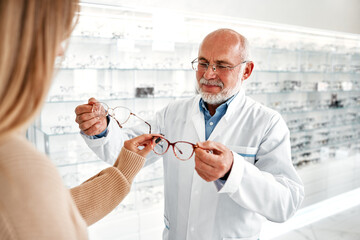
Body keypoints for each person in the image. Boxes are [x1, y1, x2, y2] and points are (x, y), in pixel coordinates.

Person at [75, 28, 305, 240]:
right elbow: (127, 151)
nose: (209, 74)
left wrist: (234, 171)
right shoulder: (173, 113)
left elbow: (286, 203)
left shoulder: (266, 123)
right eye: (203, 63)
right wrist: (101, 130)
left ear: (246, 70)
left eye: (222, 65)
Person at [0, 1, 160, 239]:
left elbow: (57, 212)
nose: (60, 51)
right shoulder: (17, 164)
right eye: (54, 35)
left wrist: (126, 165)